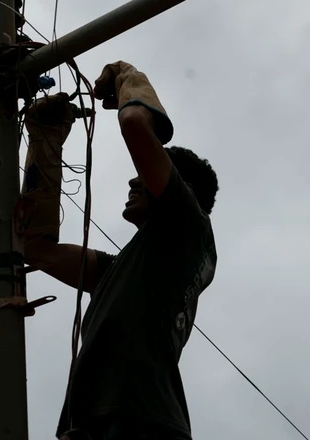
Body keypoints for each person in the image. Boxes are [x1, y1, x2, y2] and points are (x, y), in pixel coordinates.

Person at [16, 60, 219, 440]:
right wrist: (46, 141)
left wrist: (127, 76)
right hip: (97, 424)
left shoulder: (190, 225)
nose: (133, 177)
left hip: (139, 422)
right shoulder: (131, 267)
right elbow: (36, 248)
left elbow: (135, 125)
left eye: (146, 169)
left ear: (181, 189)